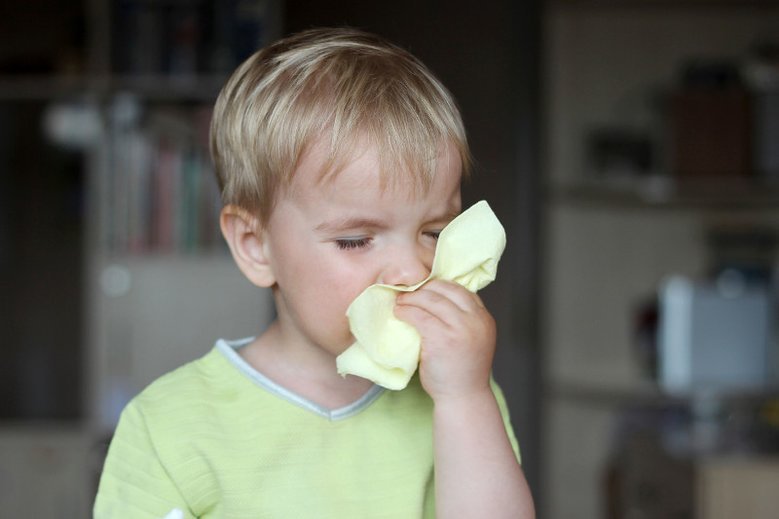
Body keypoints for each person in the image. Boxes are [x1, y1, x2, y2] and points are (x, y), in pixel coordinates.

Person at [94, 27, 535, 518]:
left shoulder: (456, 391)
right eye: (356, 239)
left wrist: (465, 398)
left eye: (434, 231)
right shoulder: (168, 427)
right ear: (255, 246)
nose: (414, 269)